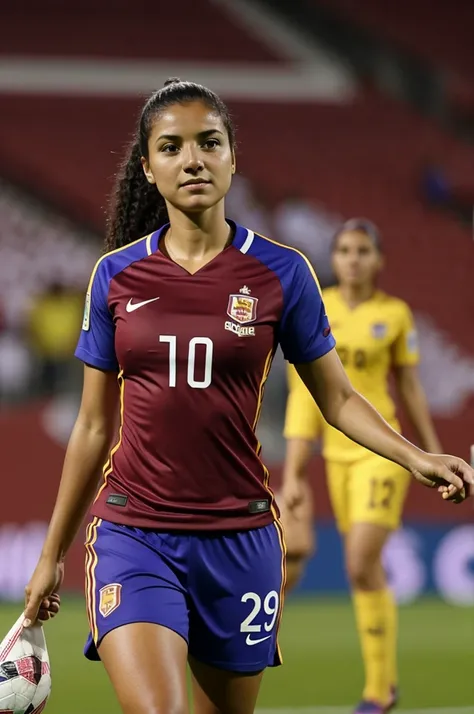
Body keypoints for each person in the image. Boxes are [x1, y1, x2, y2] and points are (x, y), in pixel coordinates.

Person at [23, 81, 473, 714]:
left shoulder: (283, 273)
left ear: (234, 157)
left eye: (210, 143)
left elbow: (338, 399)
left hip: (241, 541)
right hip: (136, 533)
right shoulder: (116, 275)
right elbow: (94, 429)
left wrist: (417, 457)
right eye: (171, 147)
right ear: (149, 169)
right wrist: (51, 557)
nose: (193, 160)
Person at [281, 218, 449, 714]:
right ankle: (384, 687)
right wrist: (293, 470)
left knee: (358, 560)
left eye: (362, 251)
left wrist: (430, 450)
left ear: (378, 260)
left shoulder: (395, 315)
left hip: (382, 453)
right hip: (336, 457)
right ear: (334, 259)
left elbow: (410, 388)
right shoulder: (319, 307)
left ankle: (379, 691)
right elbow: (304, 396)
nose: (353, 259)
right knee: (364, 572)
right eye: (345, 250)